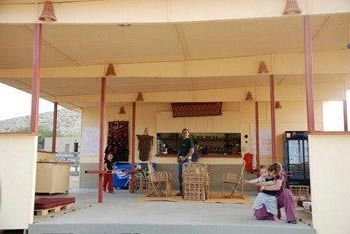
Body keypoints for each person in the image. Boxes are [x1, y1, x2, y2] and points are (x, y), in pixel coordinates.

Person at [177, 128, 194, 196]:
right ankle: (182, 192)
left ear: (188, 134)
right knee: (180, 176)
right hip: (181, 161)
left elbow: (192, 151)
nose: (184, 134)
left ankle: (186, 192)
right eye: (183, 132)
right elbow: (180, 151)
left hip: (186, 161)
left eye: (186, 132)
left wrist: (184, 158)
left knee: (185, 176)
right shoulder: (182, 141)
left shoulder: (189, 141)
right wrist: (178, 157)